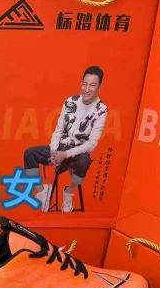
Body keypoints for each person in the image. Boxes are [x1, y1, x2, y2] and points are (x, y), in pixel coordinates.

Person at [24, 66, 108, 213]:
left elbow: (91, 144)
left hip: (77, 152)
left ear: (100, 87)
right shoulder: (70, 102)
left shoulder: (101, 110)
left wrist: (66, 154)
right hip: (60, 147)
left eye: (92, 85)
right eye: (85, 84)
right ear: (81, 83)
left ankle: (69, 192)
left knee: (84, 161)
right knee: (29, 153)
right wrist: (53, 150)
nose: (87, 89)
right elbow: (59, 129)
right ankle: (42, 191)